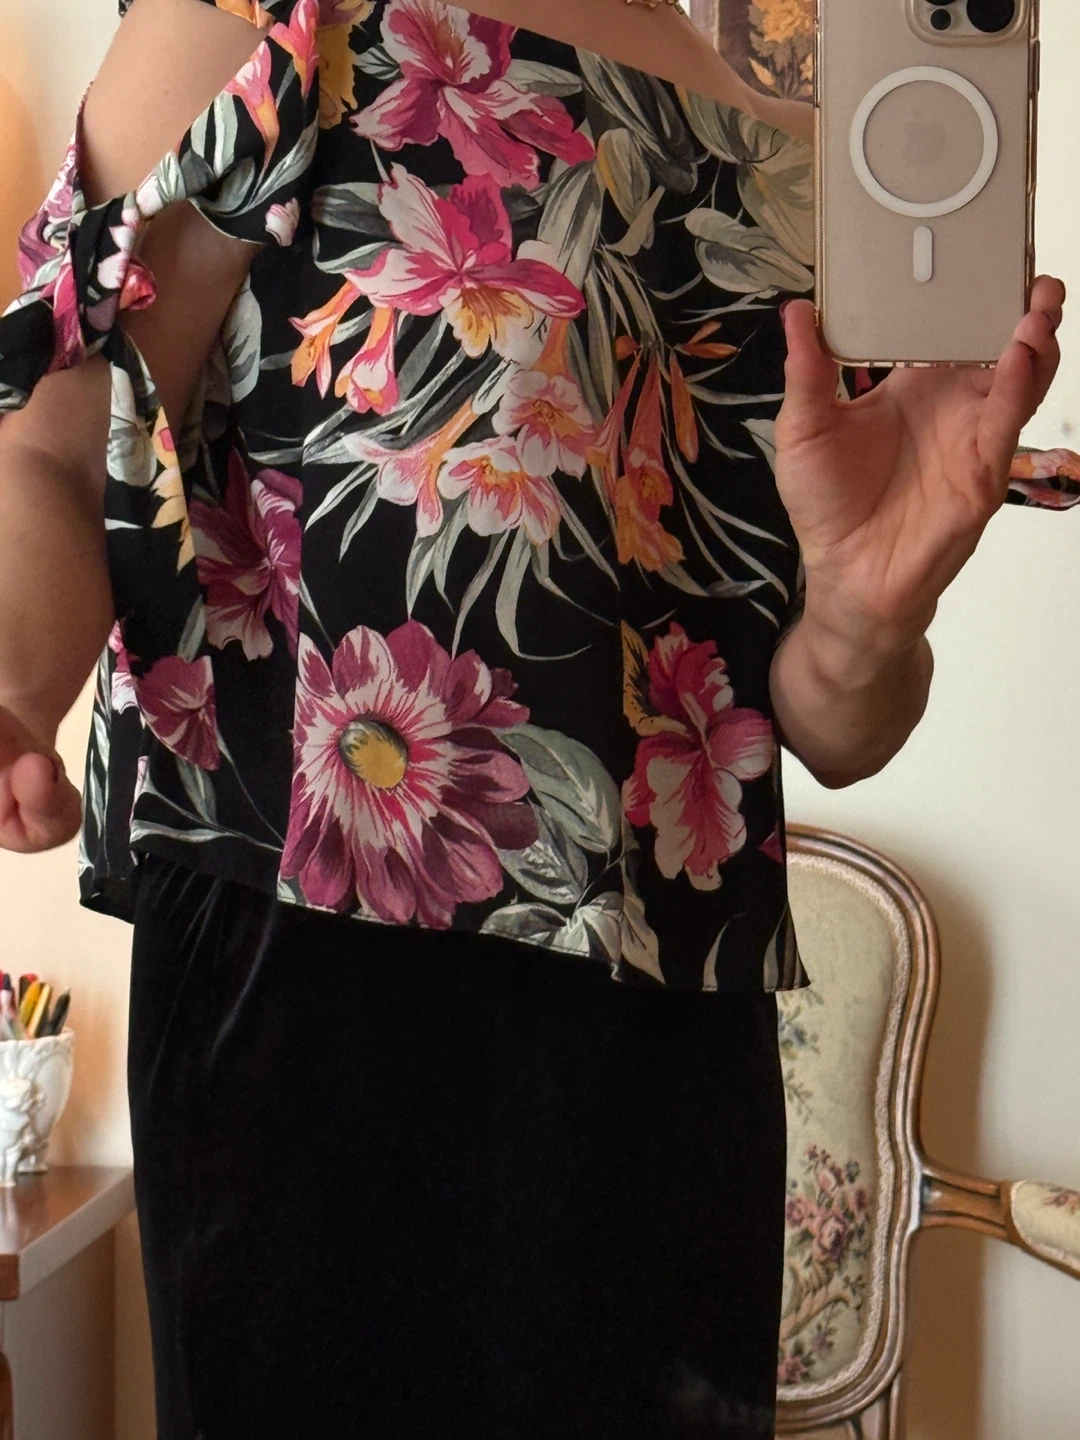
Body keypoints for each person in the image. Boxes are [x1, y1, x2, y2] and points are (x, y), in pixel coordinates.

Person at [0, 0, 1075, 1435]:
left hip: (675, 1018)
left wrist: (875, 616)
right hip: (315, 976)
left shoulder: (785, 142)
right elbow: (58, 444)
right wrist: (13, 687)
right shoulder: (266, 23)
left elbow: (827, 722)